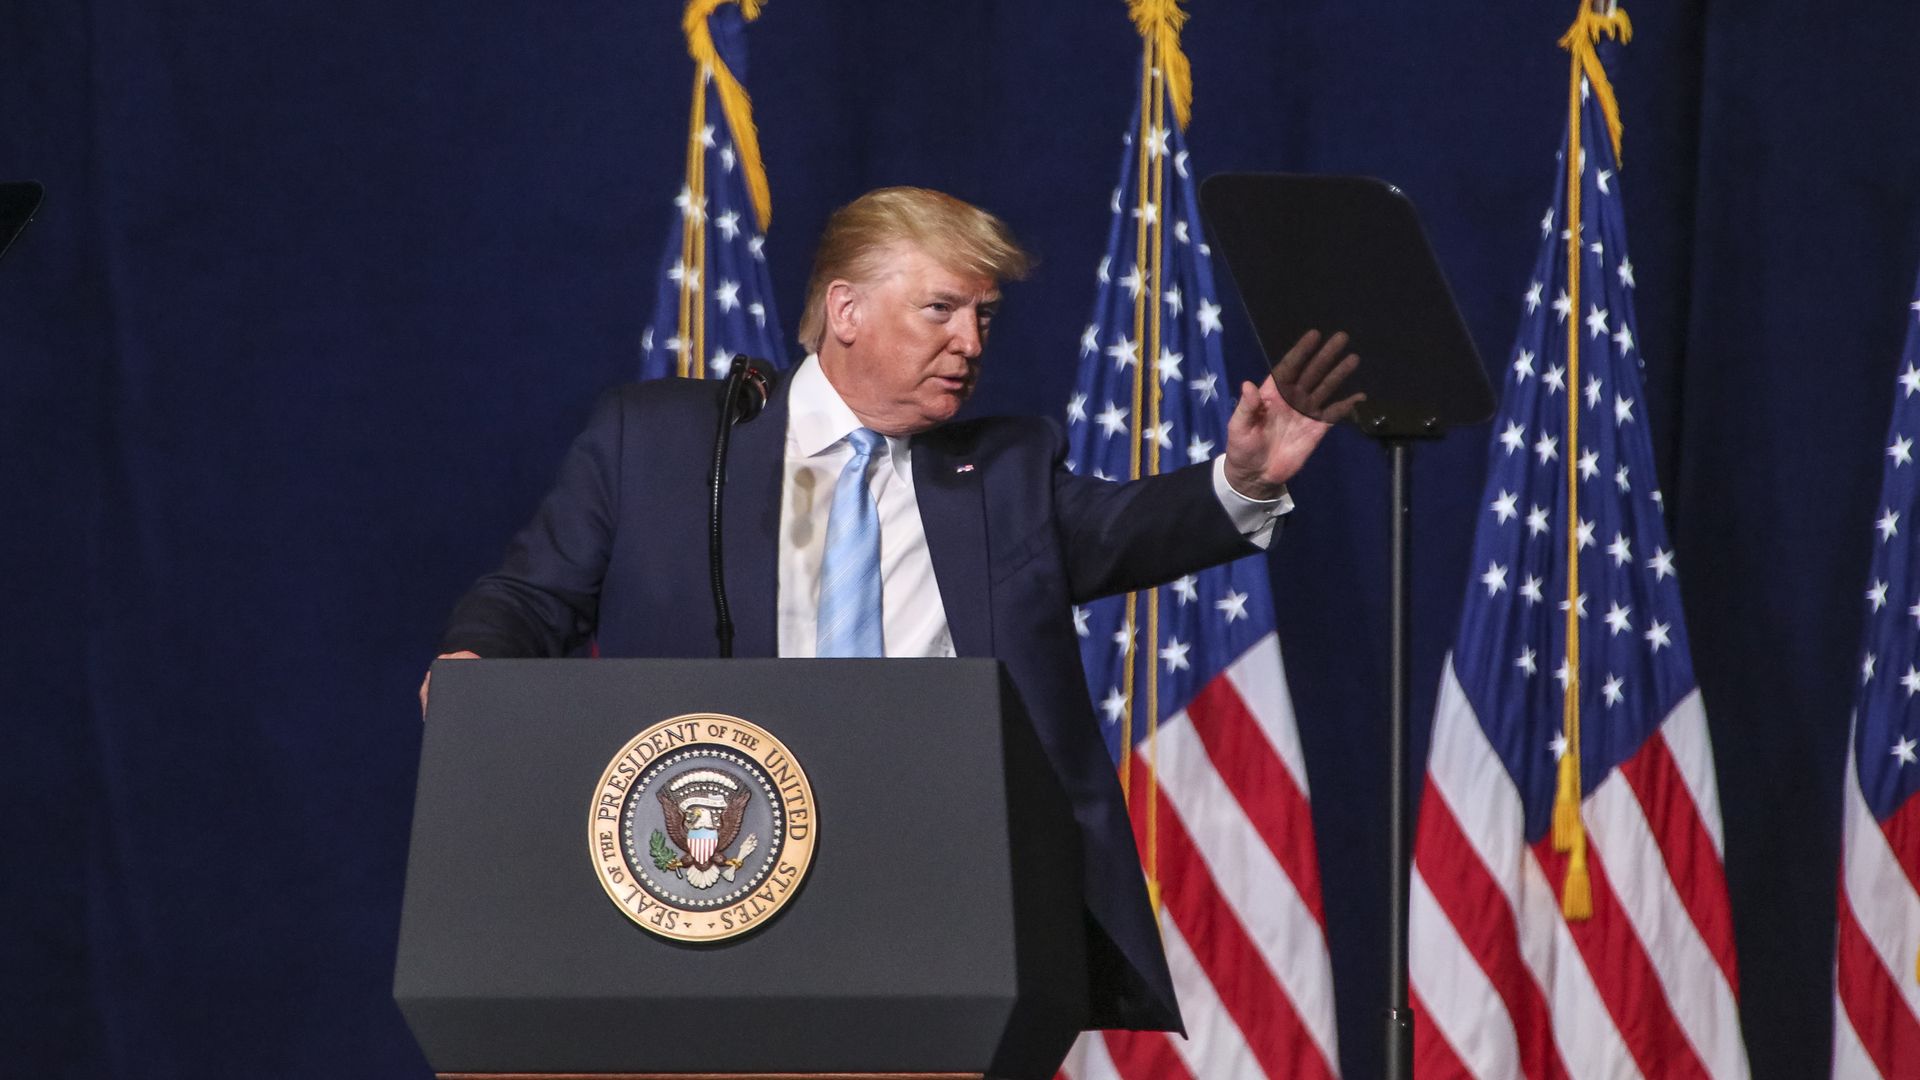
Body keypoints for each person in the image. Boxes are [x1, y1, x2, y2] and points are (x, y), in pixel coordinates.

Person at [424, 186, 1360, 1032]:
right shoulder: (664, 444)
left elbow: (1133, 528)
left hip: (944, 902)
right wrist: (472, 664)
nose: (972, 342)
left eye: (983, 316)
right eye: (941, 309)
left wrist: (1242, 479)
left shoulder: (1001, 473)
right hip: (715, 892)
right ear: (846, 311)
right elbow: (530, 595)